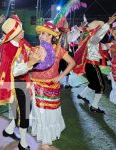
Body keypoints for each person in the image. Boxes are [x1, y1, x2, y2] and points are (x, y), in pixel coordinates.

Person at [0, 15, 41, 150]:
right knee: (24, 112)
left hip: (23, 81)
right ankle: (23, 142)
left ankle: (9, 130)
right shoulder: (8, 49)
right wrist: (30, 63)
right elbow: (12, 72)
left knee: (23, 109)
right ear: (14, 34)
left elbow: (30, 50)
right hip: (15, 84)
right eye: (21, 30)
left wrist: (38, 51)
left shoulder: (21, 42)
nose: (23, 32)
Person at [30, 21, 76, 150]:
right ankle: (45, 141)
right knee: (41, 112)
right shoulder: (35, 49)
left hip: (52, 86)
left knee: (51, 112)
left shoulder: (58, 50)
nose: (41, 36)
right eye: (40, 34)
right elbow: (29, 67)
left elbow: (72, 63)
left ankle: (49, 134)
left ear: (51, 36)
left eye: (44, 34)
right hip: (37, 86)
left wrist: (61, 76)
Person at [70, 15, 116, 114]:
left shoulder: (91, 40)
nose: (101, 31)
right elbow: (98, 37)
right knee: (101, 86)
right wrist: (108, 23)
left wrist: (113, 44)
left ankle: (82, 95)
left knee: (93, 84)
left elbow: (103, 46)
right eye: (99, 28)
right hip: (92, 65)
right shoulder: (92, 39)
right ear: (96, 29)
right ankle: (94, 107)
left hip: (90, 66)